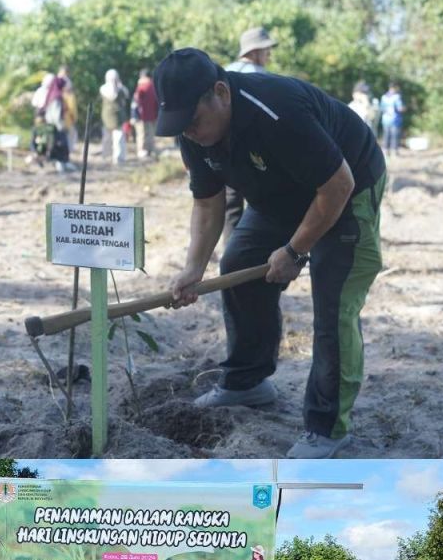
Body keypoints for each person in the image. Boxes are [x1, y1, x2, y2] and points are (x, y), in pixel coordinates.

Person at [156, 47, 387, 458]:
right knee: (238, 264)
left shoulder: (276, 113)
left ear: (221, 93)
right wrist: (193, 268)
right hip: (279, 193)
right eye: (180, 126)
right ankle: (247, 383)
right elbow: (208, 203)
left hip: (347, 187)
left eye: (193, 121)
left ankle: (328, 429)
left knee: (333, 306)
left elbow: (336, 186)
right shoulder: (193, 133)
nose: (188, 132)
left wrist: (296, 251)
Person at [222, 27, 276, 244]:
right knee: (263, 205)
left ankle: (232, 253)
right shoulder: (263, 77)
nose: (269, 55)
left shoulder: (223, 72)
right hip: (258, 151)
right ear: (255, 51)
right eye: (266, 50)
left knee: (231, 203)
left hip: (226, 149)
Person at [99, 69, 130, 166]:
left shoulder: (120, 88)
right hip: (108, 116)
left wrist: (119, 86)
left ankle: (118, 157)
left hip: (119, 117)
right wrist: (116, 86)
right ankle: (107, 155)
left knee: (119, 138)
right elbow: (112, 95)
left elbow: (126, 95)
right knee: (107, 138)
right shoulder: (104, 88)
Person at [132, 68, 158, 158]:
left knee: (141, 134)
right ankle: (151, 150)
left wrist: (134, 115)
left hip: (141, 115)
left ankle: (142, 151)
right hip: (152, 114)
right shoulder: (153, 85)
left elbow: (136, 101)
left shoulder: (141, 86)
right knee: (151, 133)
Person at [379, 82, 405, 158]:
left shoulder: (384, 97)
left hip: (385, 120)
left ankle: (385, 151)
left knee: (386, 136)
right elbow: (400, 108)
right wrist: (404, 108)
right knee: (395, 136)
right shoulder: (397, 97)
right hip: (395, 120)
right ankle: (394, 152)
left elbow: (381, 108)